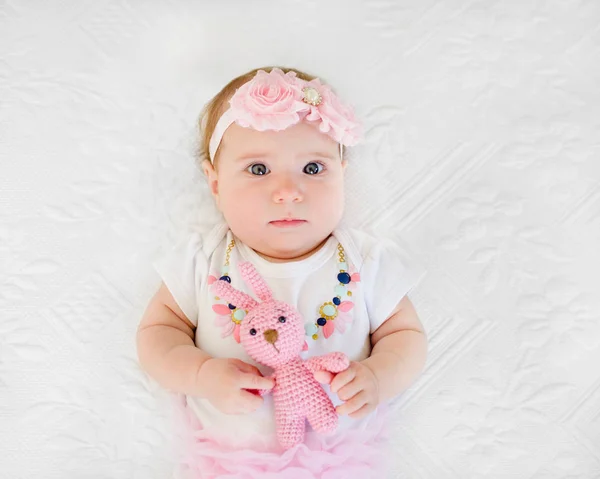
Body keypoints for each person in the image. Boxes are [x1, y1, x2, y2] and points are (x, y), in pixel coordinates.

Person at [136, 66, 428, 478]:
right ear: (215, 184)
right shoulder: (204, 259)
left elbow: (406, 336)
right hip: (228, 462)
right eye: (258, 170)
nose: (288, 191)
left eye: (312, 168)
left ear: (342, 176)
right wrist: (200, 374)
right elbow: (156, 334)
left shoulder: (365, 260)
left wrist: (378, 378)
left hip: (343, 461)